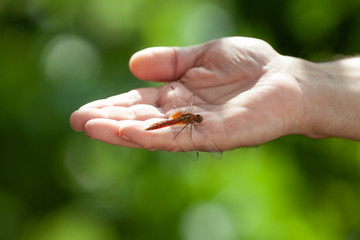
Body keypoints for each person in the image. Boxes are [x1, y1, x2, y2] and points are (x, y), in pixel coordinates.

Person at [70, 37, 360, 152]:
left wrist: (306, 88)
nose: (197, 118)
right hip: (170, 120)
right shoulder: (187, 116)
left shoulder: (190, 116)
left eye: (195, 117)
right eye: (196, 117)